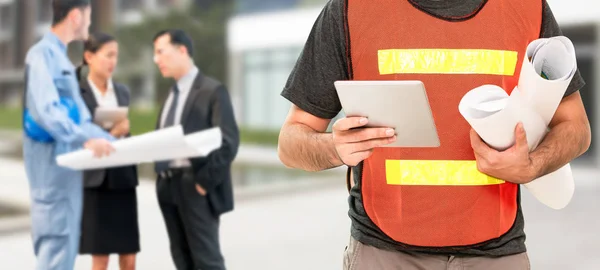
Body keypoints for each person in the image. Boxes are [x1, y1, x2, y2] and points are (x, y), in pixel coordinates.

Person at [277, 0, 591, 269]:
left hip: (497, 255)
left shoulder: (526, 7)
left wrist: (534, 164)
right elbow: (290, 143)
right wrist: (334, 147)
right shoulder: (351, 9)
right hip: (384, 255)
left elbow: (576, 127)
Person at [22, 1, 115, 269]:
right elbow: (46, 110)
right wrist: (85, 139)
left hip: (67, 184)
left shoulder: (61, 58)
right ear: (75, 16)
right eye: (88, 16)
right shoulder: (41, 55)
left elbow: (82, 120)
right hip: (51, 184)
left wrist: (117, 145)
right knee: (55, 259)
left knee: (64, 257)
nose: (89, 22)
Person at [152, 29, 240, 270]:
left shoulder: (212, 91)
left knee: (206, 260)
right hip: (167, 186)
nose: (156, 59)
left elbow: (228, 141)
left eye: (161, 52)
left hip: (195, 185)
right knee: (181, 258)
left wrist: (203, 182)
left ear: (182, 50)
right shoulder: (171, 95)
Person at [76, 32, 140, 270]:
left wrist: (126, 132)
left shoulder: (122, 92)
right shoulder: (76, 93)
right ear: (89, 57)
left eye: (116, 56)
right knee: (100, 258)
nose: (113, 61)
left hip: (123, 179)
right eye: (108, 55)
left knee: (129, 257)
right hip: (95, 182)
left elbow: (125, 137)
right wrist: (111, 134)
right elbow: (77, 136)